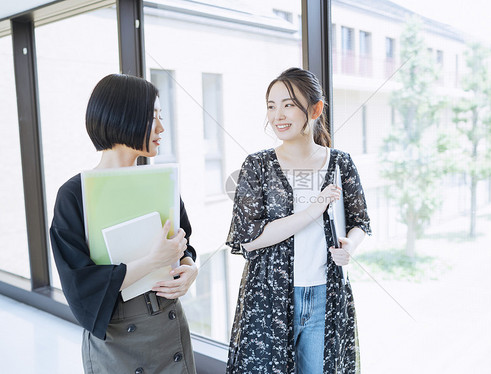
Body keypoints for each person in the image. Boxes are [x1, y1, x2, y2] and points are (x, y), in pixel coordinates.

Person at [50, 74, 198, 374]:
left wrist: (190, 268)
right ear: (122, 117)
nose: (161, 128)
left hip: (169, 325)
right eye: (152, 117)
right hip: (117, 339)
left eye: (161, 117)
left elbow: (184, 243)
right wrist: (153, 260)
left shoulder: (159, 181)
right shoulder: (74, 194)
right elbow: (81, 286)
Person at [226, 67, 371, 374]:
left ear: (315, 109)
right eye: (271, 105)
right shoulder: (257, 165)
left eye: (288, 104)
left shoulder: (340, 163)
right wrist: (311, 211)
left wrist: (350, 246)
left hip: (325, 294)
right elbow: (249, 238)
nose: (278, 114)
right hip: (270, 296)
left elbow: (360, 222)